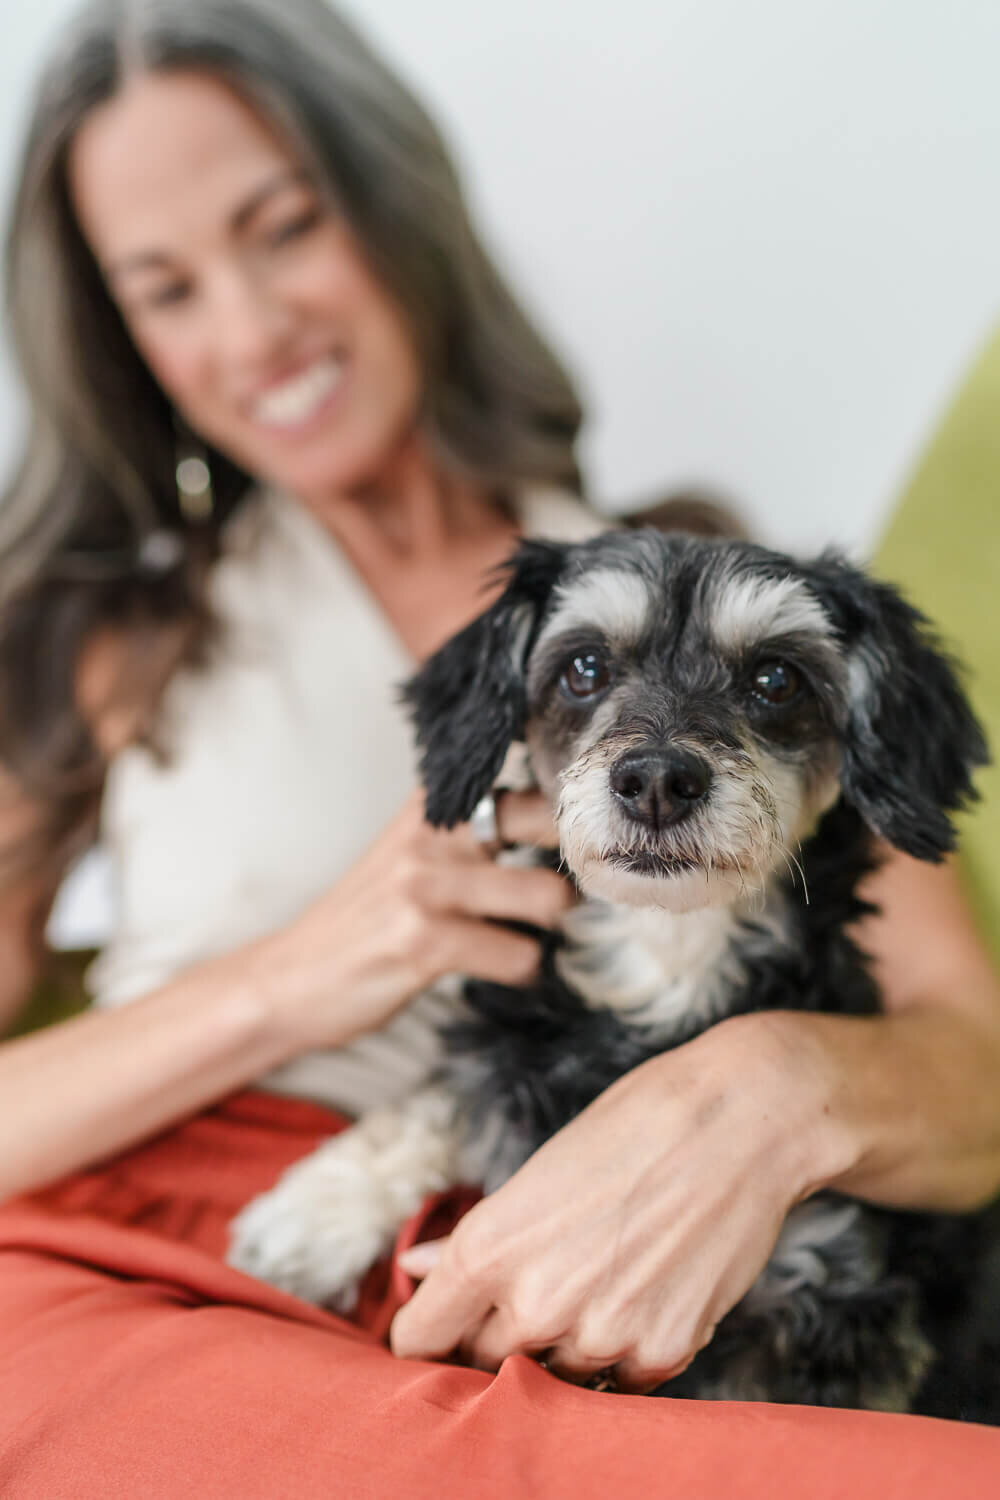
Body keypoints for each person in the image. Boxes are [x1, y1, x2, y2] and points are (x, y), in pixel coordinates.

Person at [0, 1, 998, 1493]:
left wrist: (767, 1094)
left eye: (283, 227)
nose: (252, 330)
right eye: (166, 289)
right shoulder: (104, 632)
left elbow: (974, 1075)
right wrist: (298, 975)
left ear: (400, 210)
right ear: (123, 337)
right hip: (142, 1257)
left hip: (541, 1254)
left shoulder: (722, 573)